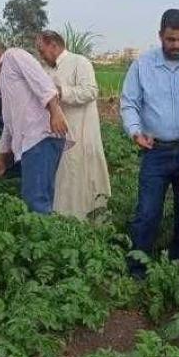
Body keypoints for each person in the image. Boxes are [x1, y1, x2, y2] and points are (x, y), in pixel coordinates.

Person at [120, 9, 179, 278]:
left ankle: (178, 267)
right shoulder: (143, 66)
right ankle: (138, 269)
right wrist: (136, 132)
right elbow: (129, 103)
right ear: (160, 36)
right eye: (171, 39)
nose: (177, 45)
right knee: (147, 213)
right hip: (154, 151)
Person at [0, 38, 71, 214]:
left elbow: (42, 81)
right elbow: (9, 123)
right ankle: (46, 237)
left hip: (40, 137)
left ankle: (45, 240)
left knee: (36, 201)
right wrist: (0, 157)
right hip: (33, 142)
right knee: (37, 197)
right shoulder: (3, 76)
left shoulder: (13, 56)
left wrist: (55, 111)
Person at [36, 30, 111, 220]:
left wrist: (61, 92)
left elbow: (91, 91)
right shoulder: (45, 70)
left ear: (54, 45)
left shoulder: (79, 62)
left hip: (82, 133)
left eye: (42, 50)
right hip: (56, 138)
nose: (41, 55)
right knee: (62, 182)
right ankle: (63, 225)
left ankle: (86, 225)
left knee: (82, 180)